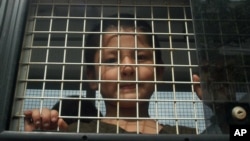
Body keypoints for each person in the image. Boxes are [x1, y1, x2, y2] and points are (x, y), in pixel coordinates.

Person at [24, 14, 202, 134]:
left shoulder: (187, 134)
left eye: (140, 57)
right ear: (92, 77)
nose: (127, 68)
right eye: (111, 61)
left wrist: (222, 109)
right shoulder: (75, 132)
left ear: (159, 72)